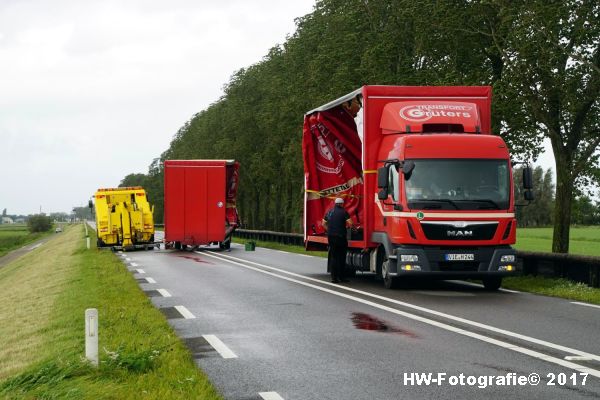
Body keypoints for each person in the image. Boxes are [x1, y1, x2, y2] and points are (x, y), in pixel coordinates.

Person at [322, 197, 353, 283]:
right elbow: (350, 223)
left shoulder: (329, 212)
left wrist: (329, 230)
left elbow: (323, 223)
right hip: (341, 237)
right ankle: (341, 277)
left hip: (331, 237)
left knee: (333, 257)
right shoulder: (344, 212)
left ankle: (333, 278)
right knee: (341, 257)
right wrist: (348, 227)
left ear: (335, 204)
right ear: (342, 204)